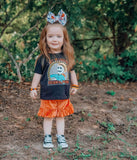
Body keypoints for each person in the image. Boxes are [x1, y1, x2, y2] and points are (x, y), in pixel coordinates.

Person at [30, 10, 78, 149]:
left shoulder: (67, 57)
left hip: (63, 94)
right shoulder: (43, 58)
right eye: (51, 36)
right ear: (45, 39)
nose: (55, 39)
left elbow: (72, 72)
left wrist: (75, 85)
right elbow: (37, 75)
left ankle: (60, 136)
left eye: (58, 36)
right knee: (48, 116)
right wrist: (33, 88)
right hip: (48, 95)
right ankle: (47, 137)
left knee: (60, 116)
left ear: (64, 39)